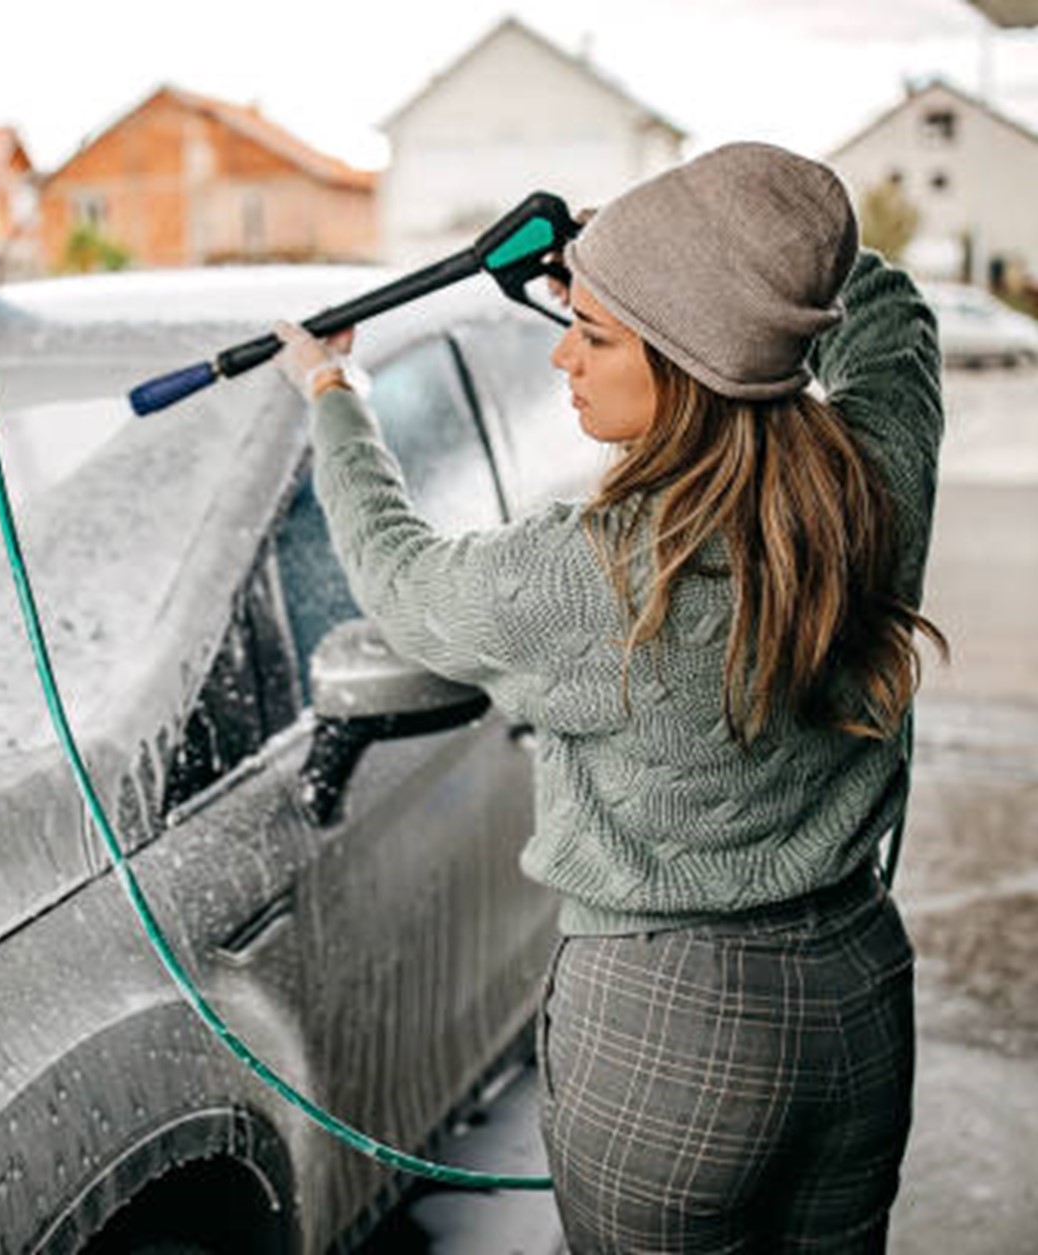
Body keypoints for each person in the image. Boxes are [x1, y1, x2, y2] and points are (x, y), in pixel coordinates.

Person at [272, 142, 946, 1253]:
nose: (561, 361)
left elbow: (393, 575)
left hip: (667, 1029)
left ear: (685, 362)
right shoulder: (874, 480)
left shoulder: (586, 581)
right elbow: (889, 311)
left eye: (591, 332)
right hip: (855, 1000)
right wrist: (668, 248)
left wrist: (332, 393)